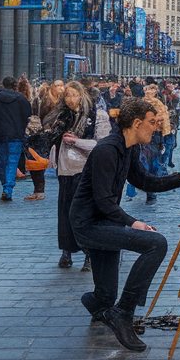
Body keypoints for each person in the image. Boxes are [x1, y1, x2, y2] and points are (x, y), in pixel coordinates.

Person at [71, 97, 180, 352]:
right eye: (152, 122)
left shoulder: (128, 148)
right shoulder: (107, 150)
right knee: (156, 244)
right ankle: (123, 313)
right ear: (137, 123)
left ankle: (100, 304)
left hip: (105, 223)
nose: (156, 128)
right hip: (89, 226)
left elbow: (145, 180)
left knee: (105, 297)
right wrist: (133, 223)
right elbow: (104, 201)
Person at [50, 81, 110, 269]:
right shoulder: (60, 115)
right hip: (65, 169)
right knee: (65, 212)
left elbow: (102, 143)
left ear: (82, 95)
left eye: (74, 95)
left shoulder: (96, 115)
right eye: (67, 95)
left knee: (84, 212)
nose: (70, 99)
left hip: (85, 169)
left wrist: (77, 142)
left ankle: (89, 252)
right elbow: (53, 141)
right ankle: (66, 251)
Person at [0, 76, 30, 202]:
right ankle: (8, 189)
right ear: (15, 85)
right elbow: (27, 115)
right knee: (12, 162)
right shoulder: (21, 99)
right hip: (16, 135)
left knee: (1, 162)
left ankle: (5, 186)